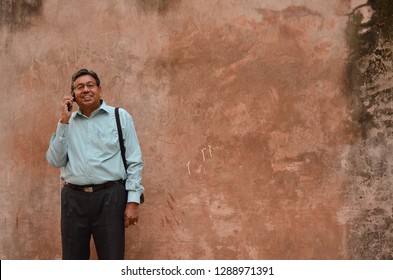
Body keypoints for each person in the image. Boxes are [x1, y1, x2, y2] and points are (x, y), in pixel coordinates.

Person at [46, 69, 144, 260]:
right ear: (72, 95)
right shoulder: (67, 123)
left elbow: (134, 160)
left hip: (110, 198)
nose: (86, 90)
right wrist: (63, 121)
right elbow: (55, 160)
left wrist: (132, 200)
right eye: (79, 87)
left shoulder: (119, 116)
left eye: (90, 85)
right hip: (73, 199)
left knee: (111, 258)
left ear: (100, 89)